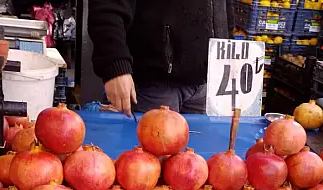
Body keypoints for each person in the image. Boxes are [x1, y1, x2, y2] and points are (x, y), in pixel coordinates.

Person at [88, 0, 233, 115]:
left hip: (209, 83)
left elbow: (226, 9)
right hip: (153, 87)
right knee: (149, 151)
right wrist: (115, 64)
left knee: (205, 151)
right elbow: (107, 7)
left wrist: (231, 50)